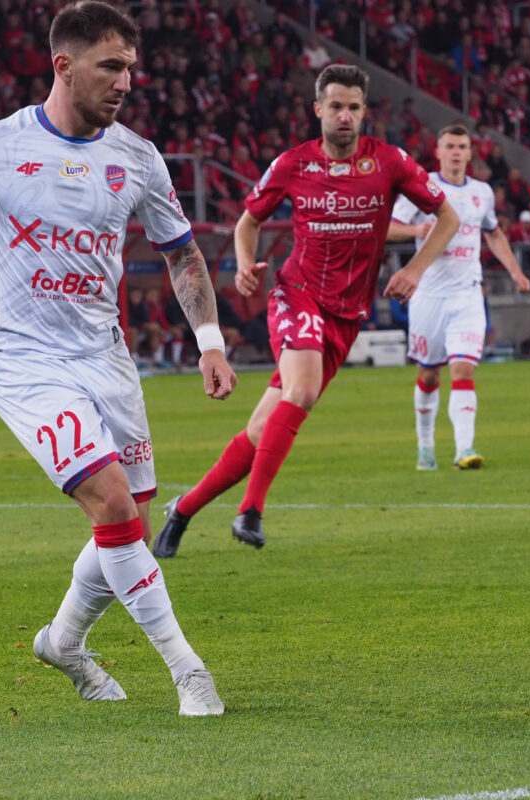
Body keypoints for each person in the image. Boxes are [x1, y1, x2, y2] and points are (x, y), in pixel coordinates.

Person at [0, 1, 235, 718]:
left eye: (131, 67)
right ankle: (188, 670)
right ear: (64, 65)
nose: (126, 81)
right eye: (111, 66)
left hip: (105, 355)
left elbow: (182, 254)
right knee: (115, 503)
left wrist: (210, 343)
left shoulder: (137, 157)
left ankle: (64, 641)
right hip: (21, 357)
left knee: (127, 513)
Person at [153, 63, 459, 557]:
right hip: (297, 293)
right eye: (335, 106)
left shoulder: (390, 162)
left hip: (348, 313)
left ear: (364, 112)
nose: (345, 116)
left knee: (261, 430)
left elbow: (448, 216)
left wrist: (417, 270)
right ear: (318, 109)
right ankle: (251, 510)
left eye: (353, 108)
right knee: (304, 389)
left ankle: (182, 510)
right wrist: (247, 262)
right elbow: (248, 221)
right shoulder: (293, 164)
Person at [386, 123, 530, 471]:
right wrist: (414, 230)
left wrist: (514, 271)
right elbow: (388, 227)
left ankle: (464, 449)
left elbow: (493, 234)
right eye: (449, 145)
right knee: (429, 375)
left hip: (467, 295)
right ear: (438, 151)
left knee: (464, 368)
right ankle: (425, 446)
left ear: (470, 153)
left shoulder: (482, 192)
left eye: (462, 146)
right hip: (429, 297)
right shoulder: (422, 187)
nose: (455, 151)